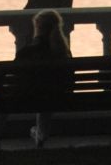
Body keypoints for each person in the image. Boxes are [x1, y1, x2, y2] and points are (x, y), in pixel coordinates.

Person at [16, 8, 71, 147]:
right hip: (60, 97)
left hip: (28, 98)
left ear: (37, 27)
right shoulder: (63, 52)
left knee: (40, 94)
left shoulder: (27, 52)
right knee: (47, 94)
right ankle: (40, 135)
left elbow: (14, 77)